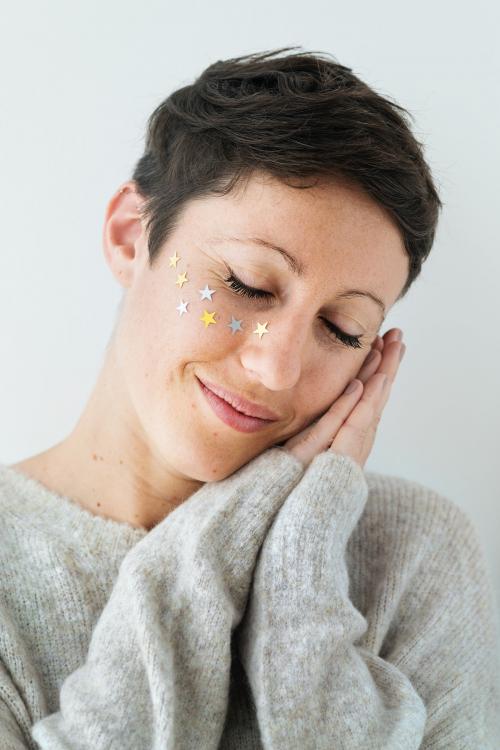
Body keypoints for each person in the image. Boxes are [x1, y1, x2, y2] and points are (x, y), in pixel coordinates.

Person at [1, 46, 498, 749]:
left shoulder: (413, 555)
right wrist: (224, 538)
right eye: (247, 284)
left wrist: (300, 564)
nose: (277, 369)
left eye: (341, 327)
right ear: (127, 235)